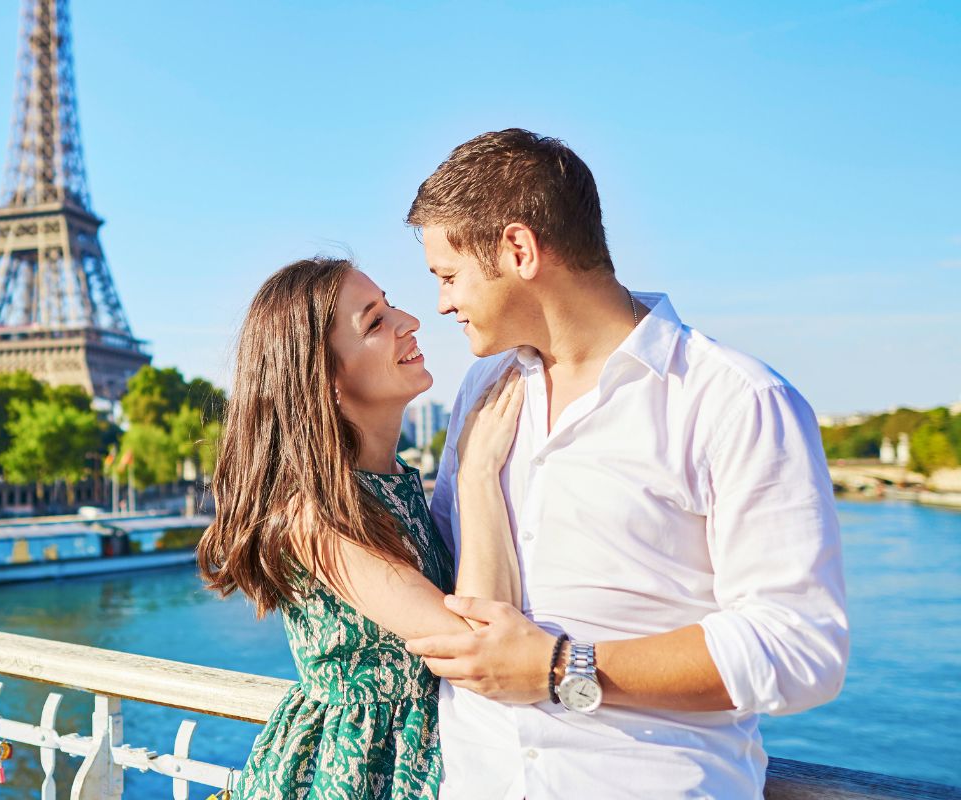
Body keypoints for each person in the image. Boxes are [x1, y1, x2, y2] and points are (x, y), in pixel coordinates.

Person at [401, 129, 850, 798]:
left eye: (447, 275)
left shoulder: (736, 401)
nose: (441, 303)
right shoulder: (484, 391)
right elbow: (453, 582)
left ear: (519, 250)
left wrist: (561, 666)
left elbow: (800, 650)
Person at [197, 256, 524, 799]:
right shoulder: (311, 517)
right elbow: (476, 647)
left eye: (390, 304)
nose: (409, 321)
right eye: (374, 322)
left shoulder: (393, 482)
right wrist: (479, 474)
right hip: (356, 774)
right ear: (324, 379)